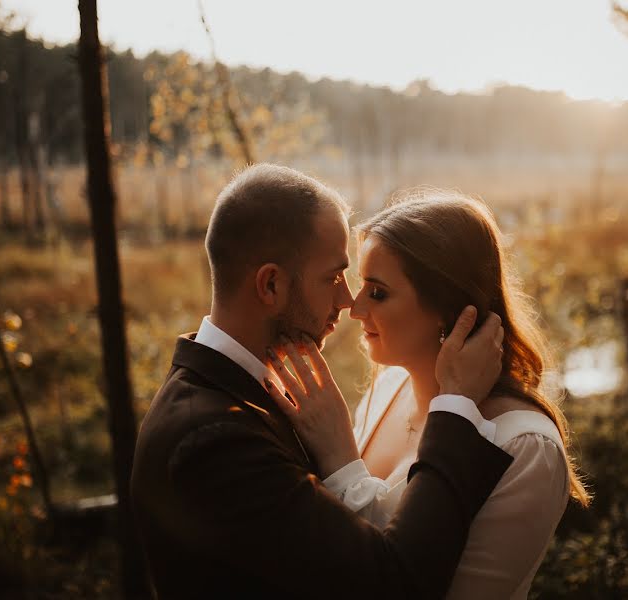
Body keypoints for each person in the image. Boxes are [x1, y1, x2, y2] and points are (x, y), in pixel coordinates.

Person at [130, 164, 513, 599]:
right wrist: (457, 405)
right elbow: (395, 585)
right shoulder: (213, 443)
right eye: (333, 277)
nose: (347, 301)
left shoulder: (240, 393)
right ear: (271, 285)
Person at [266, 190, 591, 600]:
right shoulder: (388, 387)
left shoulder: (524, 447)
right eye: (359, 286)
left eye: (378, 292)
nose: (355, 308)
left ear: (447, 305)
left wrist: (338, 457)